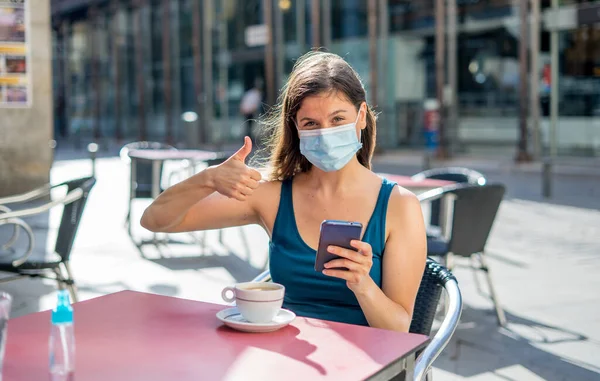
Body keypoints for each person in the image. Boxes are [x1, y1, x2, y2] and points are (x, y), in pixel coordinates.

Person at [141, 51, 426, 332]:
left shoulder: (399, 205)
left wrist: (363, 285)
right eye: (311, 124)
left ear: (361, 116)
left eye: (338, 119)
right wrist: (207, 179)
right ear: (296, 129)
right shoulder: (273, 196)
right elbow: (155, 220)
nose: (325, 133)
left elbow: (399, 328)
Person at [239, 79, 263, 143]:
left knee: (249, 126)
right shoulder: (257, 94)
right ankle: (250, 139)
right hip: (249, 112)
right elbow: (255, 105)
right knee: (250, 127)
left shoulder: (250, 93)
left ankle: (249, 139)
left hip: (247, 111)